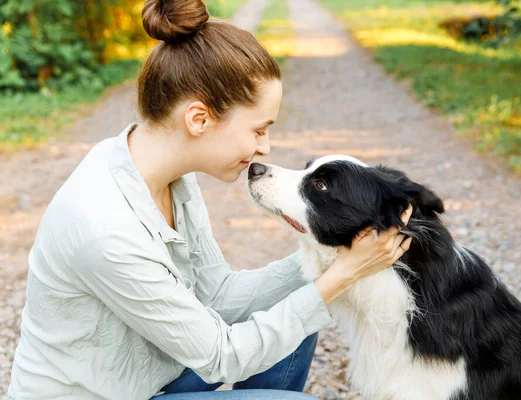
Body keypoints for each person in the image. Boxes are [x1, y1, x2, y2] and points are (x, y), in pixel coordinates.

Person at [6, 0, 413, 399]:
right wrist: (340, 276)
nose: (265, 148)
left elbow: (218, 296)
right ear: (199, 119)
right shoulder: (104, 227)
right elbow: (223, 357)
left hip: (154, 374)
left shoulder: (164, 174)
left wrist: (338, 253)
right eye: (258, 130)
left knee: (298, 307)